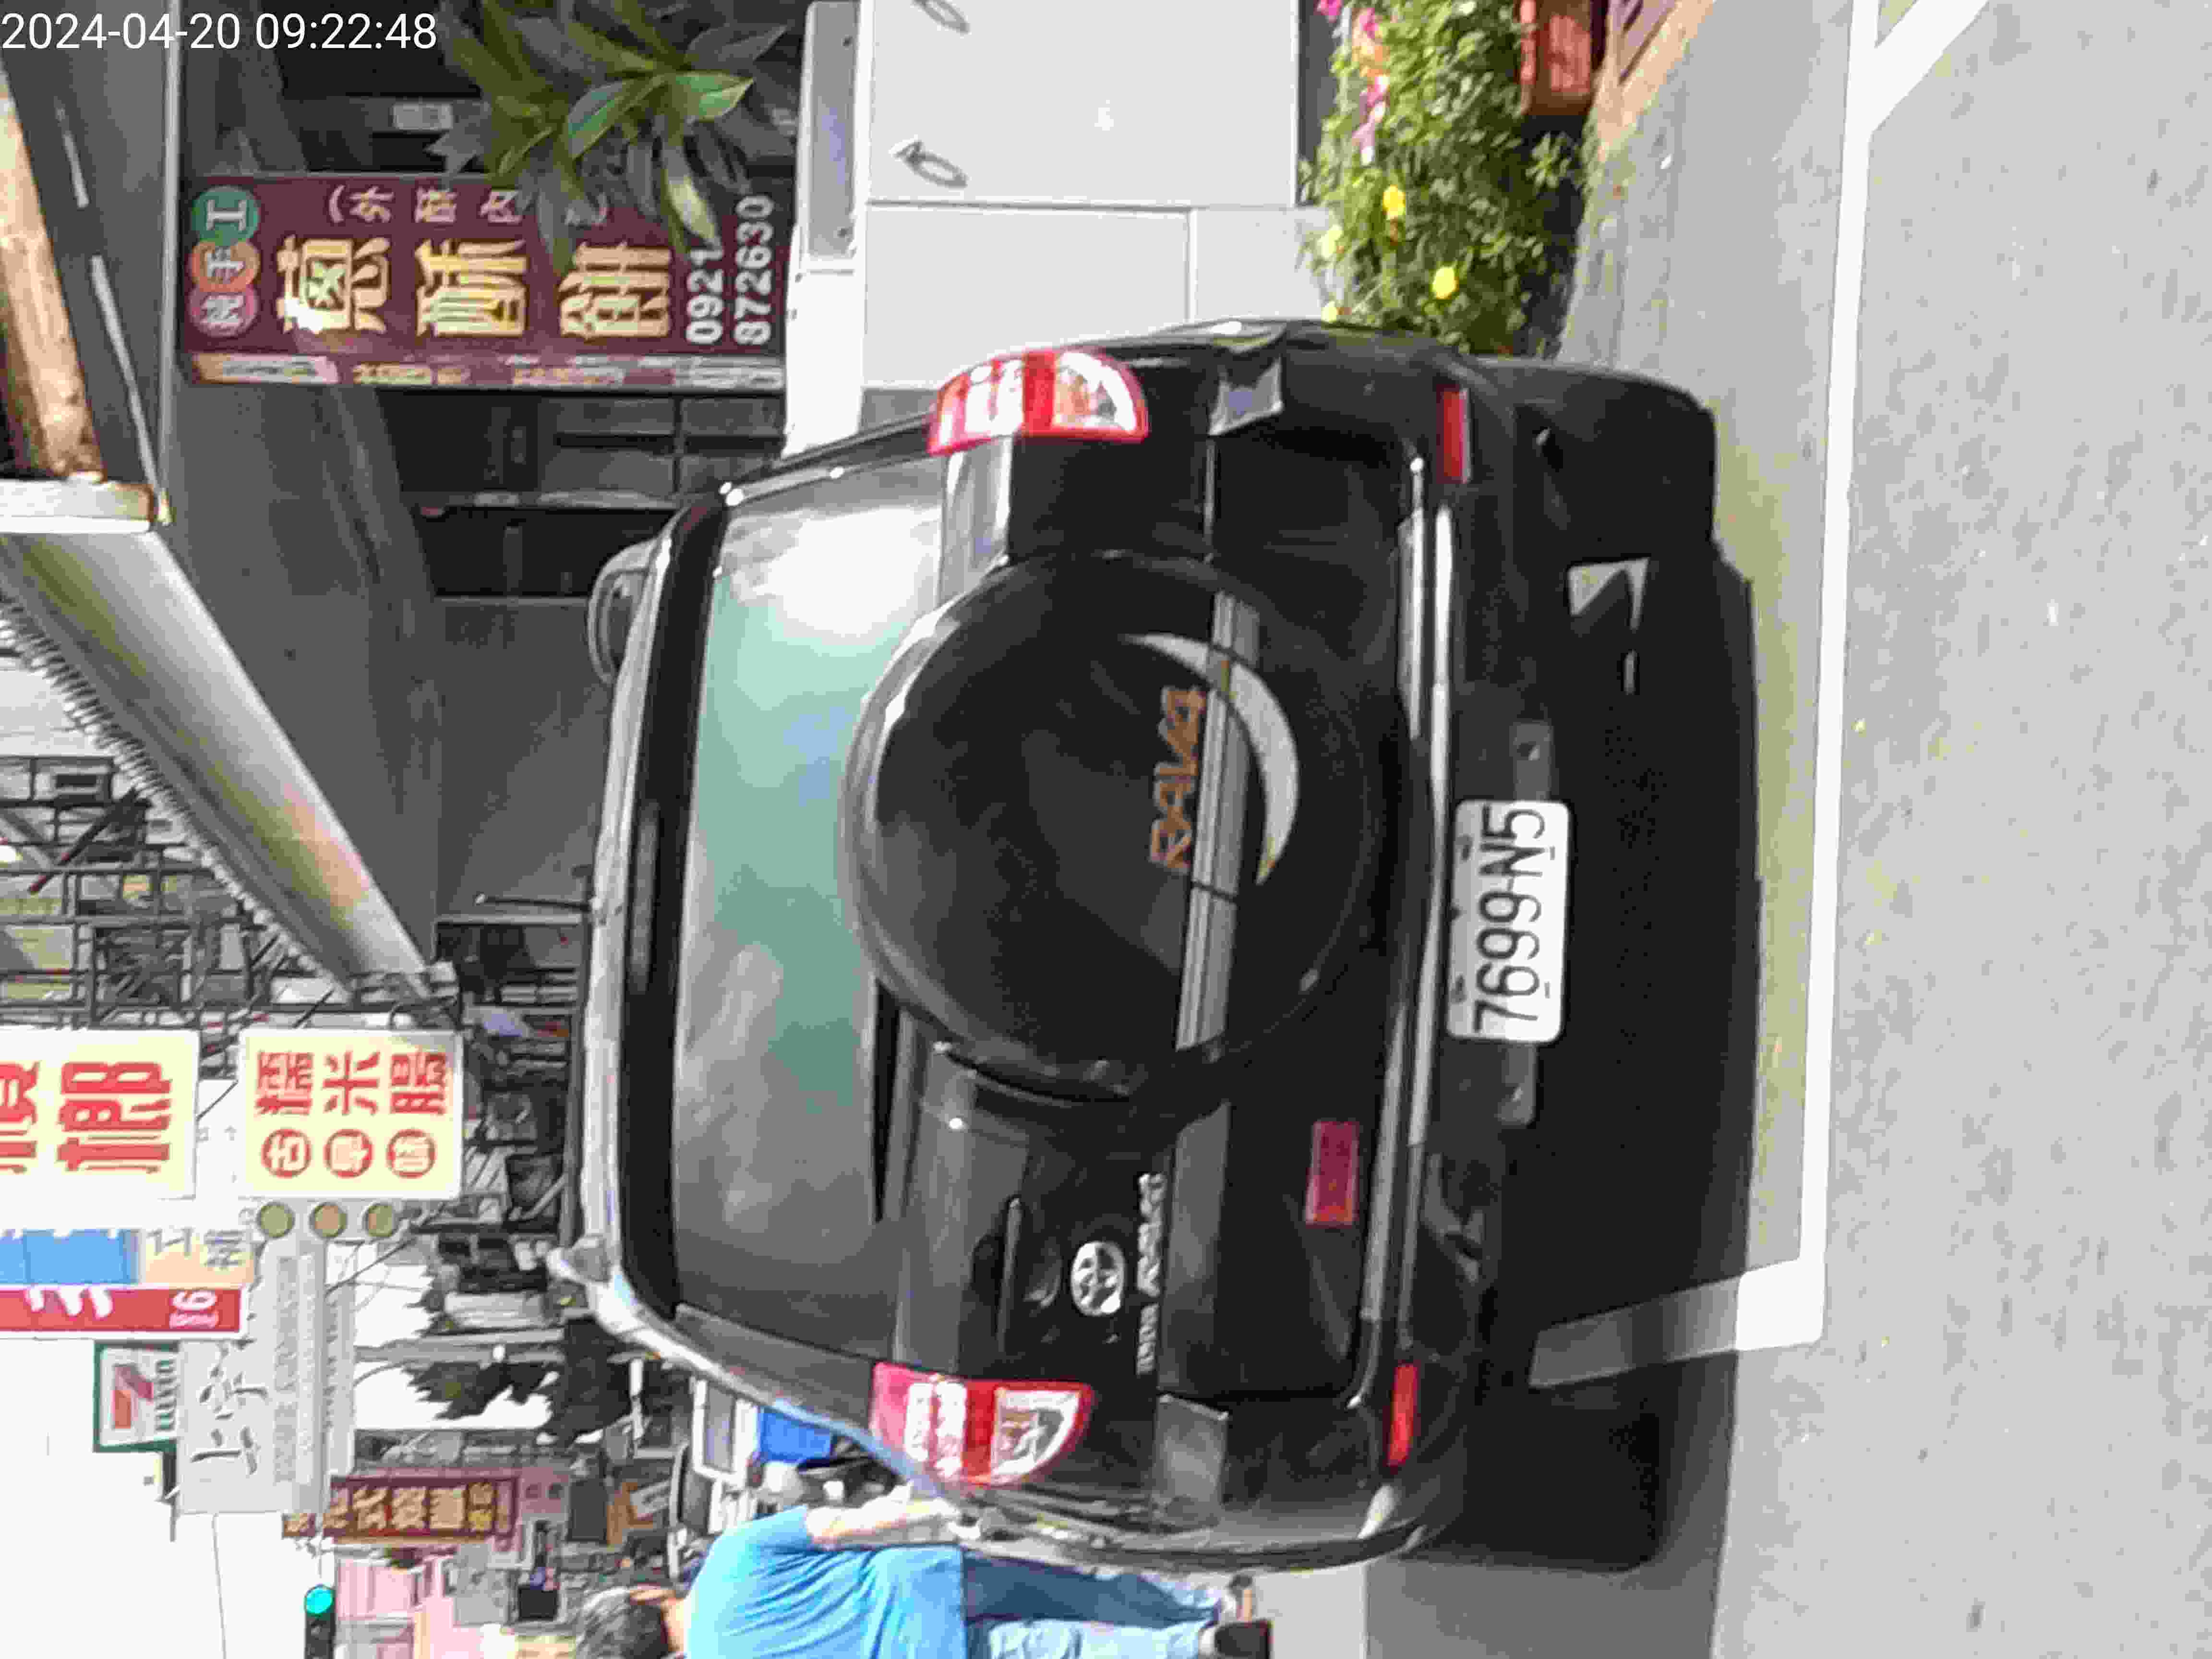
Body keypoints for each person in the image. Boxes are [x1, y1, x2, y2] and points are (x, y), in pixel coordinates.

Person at [575, 1493, 1273, 1659]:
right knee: (1078, 1589)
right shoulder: (733, 1555)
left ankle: (1198, 1649)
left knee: (1056, 1648)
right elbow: (845, 1525)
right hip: (928, 1577)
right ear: (646, 1594)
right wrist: (939, 1508)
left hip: (922, 1651)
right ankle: (1207, 1605)